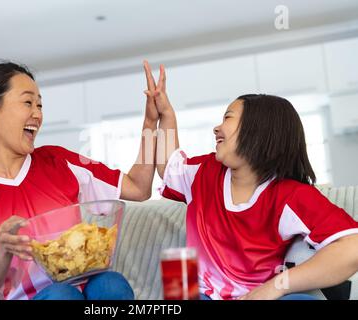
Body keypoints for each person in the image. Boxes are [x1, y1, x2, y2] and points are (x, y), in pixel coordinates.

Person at [0, 61, 160, 300]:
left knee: (110, 284)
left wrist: (153, 124)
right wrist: (2, 249)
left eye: (39, 104)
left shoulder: (58, 161)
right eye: (28, 102)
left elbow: (139, 188)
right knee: (62, 296)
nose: (38, 114)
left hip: (80, 289)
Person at [142, 61, 358, 300]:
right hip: (197, 292)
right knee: (177, 273)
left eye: (227, 118)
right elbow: (168, 165)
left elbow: (352, 247)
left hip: (258, 295)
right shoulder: (205, 171)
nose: (216, 128)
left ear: (257, 131)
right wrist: (166, 115)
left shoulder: (291, 196)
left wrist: (275, 287)